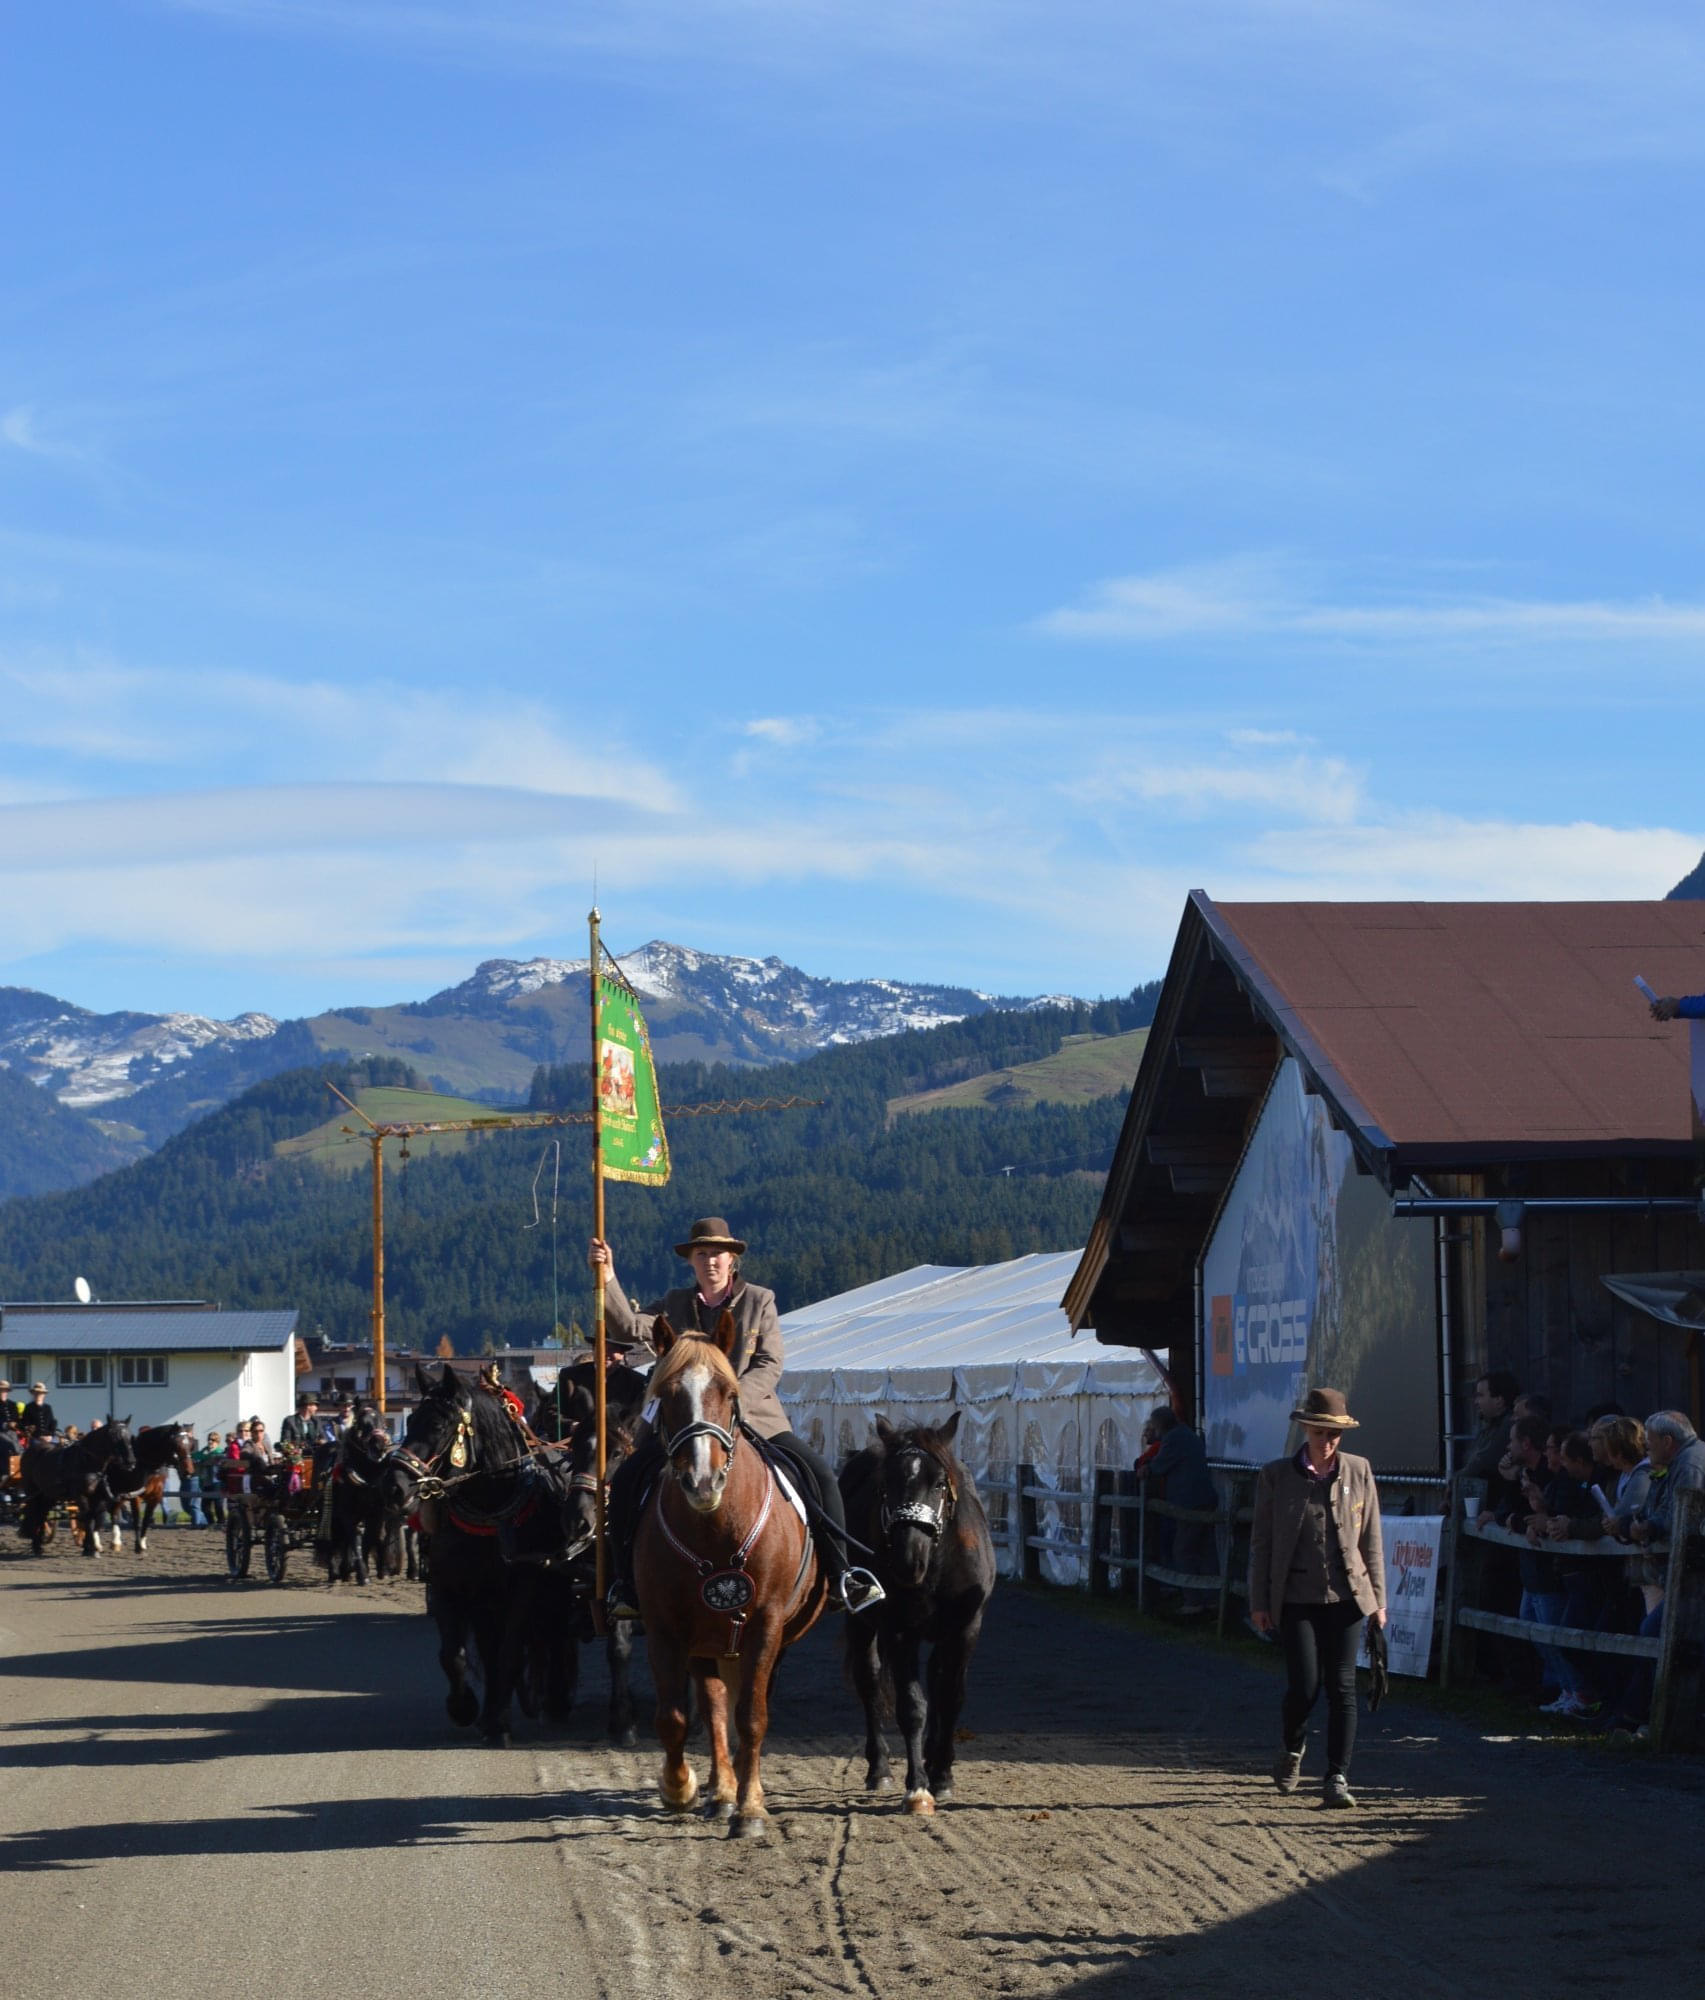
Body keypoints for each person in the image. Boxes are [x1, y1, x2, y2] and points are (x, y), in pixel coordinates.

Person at [592, 1217, 884, 1618]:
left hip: (754, 1415)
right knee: (625, 1481)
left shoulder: (759, 1301)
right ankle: (625, 1585)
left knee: (820, 1475)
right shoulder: (675, 1304)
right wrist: (607, 1276)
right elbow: (626, 1326)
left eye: (717, 1253)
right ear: (691, 1262)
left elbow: (769, 1362)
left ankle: (843, 1574)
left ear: (732, 1260)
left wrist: (733, 1402)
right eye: (702, 1253)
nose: (710, 1260)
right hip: (682, 1423)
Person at [1248, 1386, 1386, 1809]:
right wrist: (1259, 1601)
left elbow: (1371, 1539)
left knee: (1342, 1686)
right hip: (1295, 1598)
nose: (1326, 1442)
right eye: (1320, 1432)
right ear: (1305, 1429)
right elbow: (1262, 1544)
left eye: (1334, 1435)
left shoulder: (1359, 1471)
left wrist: (1378, 1599)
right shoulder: (1276, 1476)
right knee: (1304, 1685)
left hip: (1347, 1596)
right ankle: (1293, 1749)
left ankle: (1337, 1777)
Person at [1134, 1406, 1218, 1612]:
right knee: (1206, 1551)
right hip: (1205, 1498)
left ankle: (1193, 1601)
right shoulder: (1188, 1435)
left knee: (1183, 1550)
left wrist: (1146, 1469)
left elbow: (1159, 1466)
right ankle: (1215, 1599)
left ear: (1160, 1424)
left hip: (1190, 1502)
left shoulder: (1173, 1440)